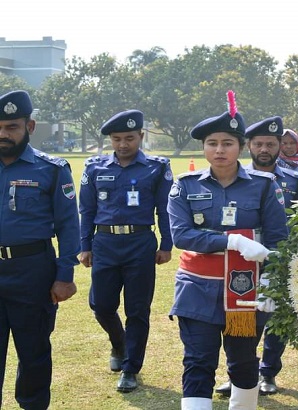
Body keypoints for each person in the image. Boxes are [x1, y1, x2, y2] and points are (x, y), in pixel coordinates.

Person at [167, 100, 289, 410]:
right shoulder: (184, 186)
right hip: (198, 288)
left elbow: (278, 239)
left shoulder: (264, 186)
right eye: (212, 143)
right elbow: (181, 235)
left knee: (243, 362)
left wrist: (271, 282)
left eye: (227, 143)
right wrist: (232, 241)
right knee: (198, 360)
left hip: (246, 289)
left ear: (241, 147)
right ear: (204, 148)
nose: (219, 150)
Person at [78, 109, 173, 393]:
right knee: (101, 305)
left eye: (129, 138)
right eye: (117, 139)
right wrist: (84, 246)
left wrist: (166, 245)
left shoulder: (156, 167)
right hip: (105, 243)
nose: (123, 144)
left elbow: (164, 210)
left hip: (140, 243)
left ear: (140, 136)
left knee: (137, 310)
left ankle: (131, 368)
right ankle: (119, 344)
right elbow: (87, 210)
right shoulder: (95, 167)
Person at [214, 116, 298, 398]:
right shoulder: (236, 177)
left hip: (280, 257)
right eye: (258, 144)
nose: (264, 149)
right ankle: (239, 373)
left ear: (280, 145)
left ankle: (268, 372)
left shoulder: (293, 180)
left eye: (270, 144)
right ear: (249, 146)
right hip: (243, 259)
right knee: (240, 316)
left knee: (275, 318)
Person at [0, 90, 80, 409]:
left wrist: (65, 275)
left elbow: (68, 226)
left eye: (11, 127)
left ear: (29, 127)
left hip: (32, 272)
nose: (3, 134)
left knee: (33, 353)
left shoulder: (51, 169)